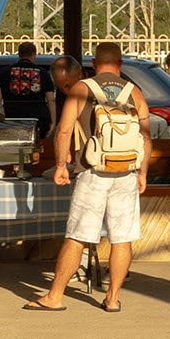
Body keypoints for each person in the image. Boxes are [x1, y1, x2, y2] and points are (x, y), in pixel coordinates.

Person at [32, 40, 150, 314]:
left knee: (78, 236)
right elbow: (145, 135)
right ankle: (112, 298)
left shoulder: (82, 89)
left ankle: (55, 296)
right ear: (120, 65)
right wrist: (142, 172)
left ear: (94, 64)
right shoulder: (136, 93)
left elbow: (63, 131)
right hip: (126, 174)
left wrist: (61, 165)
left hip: (91, 172)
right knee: (122, 239)